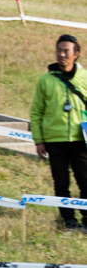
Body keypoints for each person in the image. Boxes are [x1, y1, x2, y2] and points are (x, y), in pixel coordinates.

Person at [31, 34, 87, 231]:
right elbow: (36, 111)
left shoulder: (85, 78)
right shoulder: (46, 80)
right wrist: (39, 140)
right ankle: (68, 221)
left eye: (66, 51)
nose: (61, 54)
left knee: (85, 182)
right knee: (61, 183)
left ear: (76, 54)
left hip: (81, 140)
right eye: (59, 50)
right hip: (55, 140)